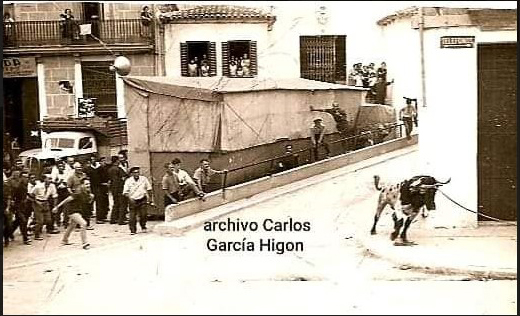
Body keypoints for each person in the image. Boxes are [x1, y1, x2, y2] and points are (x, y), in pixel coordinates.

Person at [52, 178, 93, 249]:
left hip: (79, 211)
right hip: (72, 211)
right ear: (82, 185)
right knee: (83, 224)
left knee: (72, 226)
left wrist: (91, 198)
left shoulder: (87, 193)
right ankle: (85, 243)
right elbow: (66, 200)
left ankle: (64, 240)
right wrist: (57, 207)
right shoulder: (77, 193)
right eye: (86, 184)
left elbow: (87, 203)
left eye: (89, 184)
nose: (88, 185)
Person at [123, 167, 154, 235]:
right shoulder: (128, 181)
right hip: (133, 199)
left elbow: (149, 189)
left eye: (138, 172)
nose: (137, 174)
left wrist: (150, 198)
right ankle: (133, 230)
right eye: (135, 172)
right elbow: (125, 192)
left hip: (142, 198)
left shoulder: (143, 179)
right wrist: (130, 199)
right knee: (132, 216)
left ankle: (143, 226)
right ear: (132, 174)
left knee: (143, 214)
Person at [28, 173, 59, 240]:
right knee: (40, 221)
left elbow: (55, 196)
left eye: (51, 178)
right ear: (44, 179)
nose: (50, 180)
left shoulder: (52, 186)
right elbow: (30, 196)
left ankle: (32, 228)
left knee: (48, 220)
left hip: (45, 202)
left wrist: (55, 206)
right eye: (49, 178)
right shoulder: (38, 186)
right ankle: (37, 235)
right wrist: (36, 202)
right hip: (37, 202)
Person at [7, 169, 31, 245]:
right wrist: (12, 203)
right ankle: (25, 238)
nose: (26, 179)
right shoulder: (18, 186)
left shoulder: (26, 185)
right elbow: (12, 196)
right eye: (24, 177)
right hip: (17, 206)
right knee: (23, 221)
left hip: (24, 206)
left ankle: (7, 233)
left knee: (17, 222)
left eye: (27, 177)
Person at [108, 156, 128, 225]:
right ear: (116, 161)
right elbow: (124, 176)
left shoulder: (110, 169)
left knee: (116, 204)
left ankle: (113, 219)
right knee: (122, 204)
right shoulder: (118, 169)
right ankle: (121, 220)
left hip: (113, 189)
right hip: (119, 188)